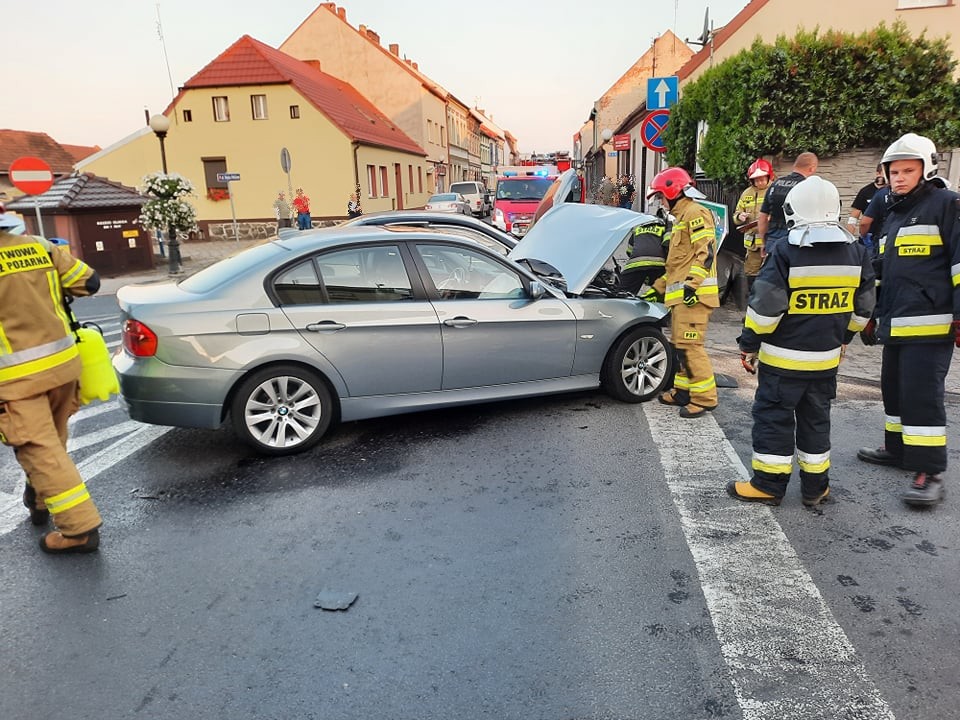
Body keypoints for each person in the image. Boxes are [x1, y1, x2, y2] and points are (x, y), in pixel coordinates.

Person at [727, 176, 876, 506]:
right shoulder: (856, 252)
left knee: (774, 420)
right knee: (816, 422)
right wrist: (845, 338)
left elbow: (765, 308)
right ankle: (816, 488)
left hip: (783, 363)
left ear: (793, 210)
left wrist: (749, 343)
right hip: (825, 362)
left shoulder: (786, 251)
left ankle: (768, 485)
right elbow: (864, 306)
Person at [855, 133, 960, 508]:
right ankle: (898, 451)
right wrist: (871, 314)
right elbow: (886, 271)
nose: (898, 177)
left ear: (926, 168)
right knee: (894, 389)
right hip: (897, 323)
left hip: (931, 325)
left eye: (907, 170)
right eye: (894, 171)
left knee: (921, 396)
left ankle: (929, 472)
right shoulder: (895, 212)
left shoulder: (947, 204)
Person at [0, 203, 103, 553]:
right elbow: (89, 282)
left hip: (14, 380)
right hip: (62, 366)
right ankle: (41, 498)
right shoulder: (41, 247)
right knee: (52, 443)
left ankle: (79, 530)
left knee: (40, 450)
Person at [645, 167, 720, 418]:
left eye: (660, 196)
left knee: (690, 347)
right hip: (684, 299)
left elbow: (706, 252)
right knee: (680, 346)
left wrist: (691, 286)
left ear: (673, 192)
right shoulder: (681, 218)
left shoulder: (695, 212)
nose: (660, 202)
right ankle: (683, 391)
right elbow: (678, 265)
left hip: (694, 298)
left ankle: (705, 398)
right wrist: (656, 289)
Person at [756, 152, 818, 259]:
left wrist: (764, 243)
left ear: (795, 165)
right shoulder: (808, 187)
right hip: (797, 244)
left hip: (773, 242)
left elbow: (762, 217)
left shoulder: (775, 184)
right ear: (812, 169)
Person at [734, 158, 774, 296]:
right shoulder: (747, 193)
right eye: (756, 180)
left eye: (762, 179)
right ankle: (753, 299)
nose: (759, 182)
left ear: (769, 177)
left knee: (771, 272)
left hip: (770, 242)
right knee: (751, 273)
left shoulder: (775, 191)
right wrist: (740, 217)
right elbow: (736, 214)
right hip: (752, 246)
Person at [619, 214, 669, 295]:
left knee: (622, 294)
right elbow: (667, 246)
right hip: (658, 265)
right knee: (662, 293)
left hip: (635, 265)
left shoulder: (637, 228)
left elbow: (629, 250)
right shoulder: (663, 227)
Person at [847, 163, 886, 238]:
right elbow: (853, 218)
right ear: (878, 173)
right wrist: (849, 240)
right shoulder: (865, 191)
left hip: (887, 235)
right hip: (869, 236)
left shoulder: (893, 191)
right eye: (885, 172)